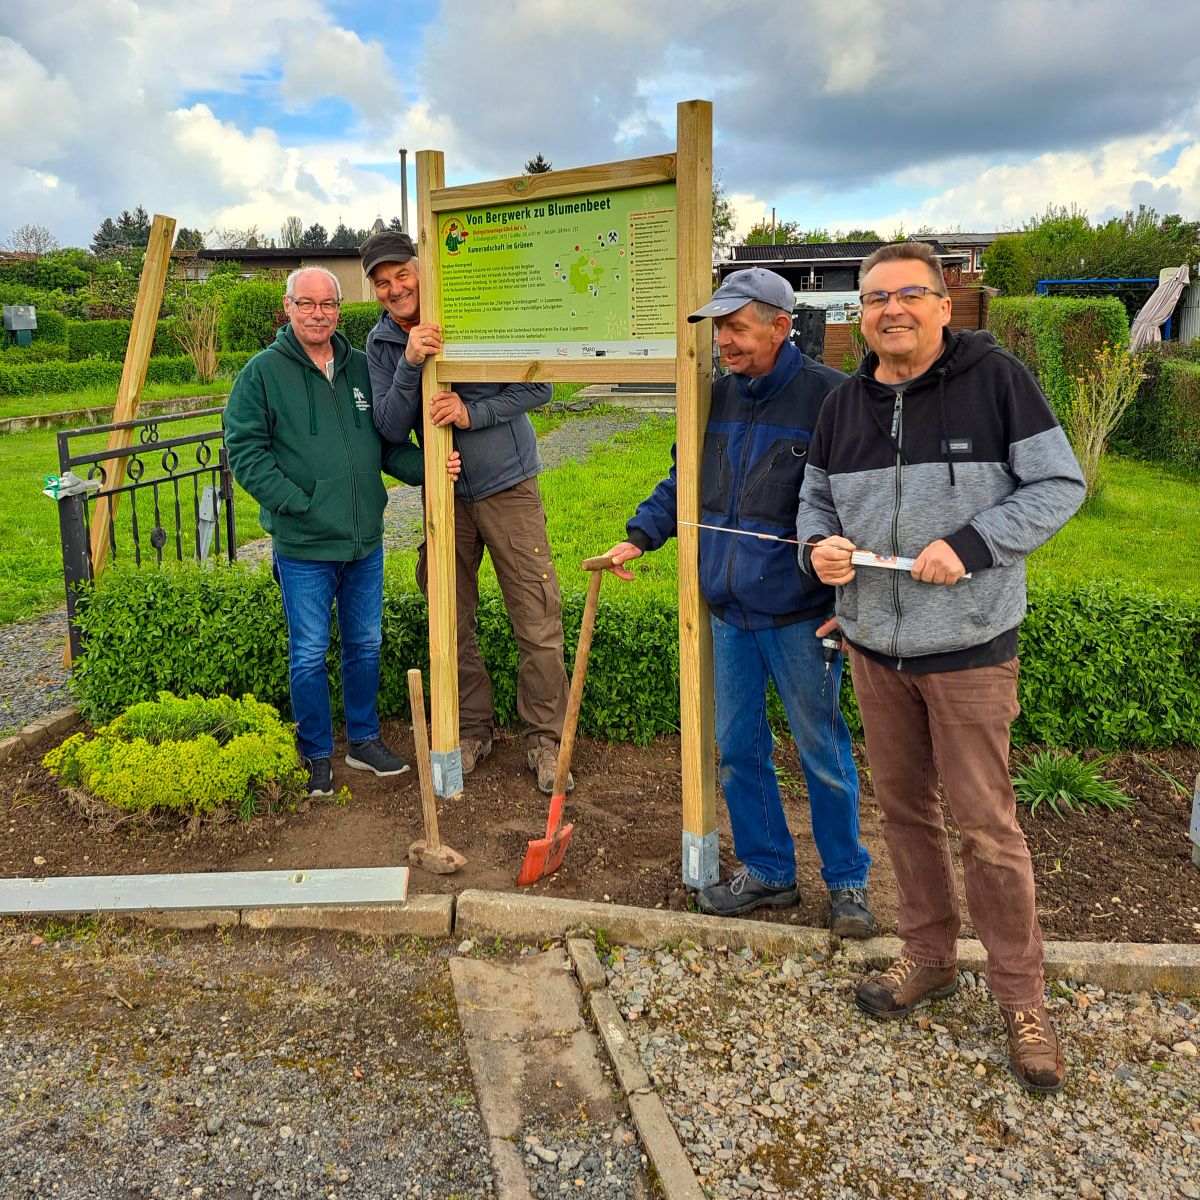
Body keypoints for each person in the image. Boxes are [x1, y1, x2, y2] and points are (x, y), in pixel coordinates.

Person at [796, 241, 1086, 1093]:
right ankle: (929, 957)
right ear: (860, 313)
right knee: (906, 815)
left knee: (989, 829)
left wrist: (970, 544)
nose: (891, 310)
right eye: (875, 298)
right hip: (873, 649)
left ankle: (1022, 999)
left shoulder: (999, 382)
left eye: (908, 295)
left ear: (944, 301)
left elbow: (1058, 484)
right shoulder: (843, 405)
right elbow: (815, 499)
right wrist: (822, 550)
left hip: (968, 648)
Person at [602, 267, 875, 935]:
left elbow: (862, 507)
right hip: (728, 613)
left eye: (737, 327)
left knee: (822, 749)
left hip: (801, 615)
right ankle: (770, 872)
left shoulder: (832, 399)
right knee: (737, 749)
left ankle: (847, 884)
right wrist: (640, 537)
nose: (724, 340)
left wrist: (854, 596)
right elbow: (682, 482)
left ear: (781, 328)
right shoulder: (714, 399)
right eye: (719, 328)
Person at [225, 266, 460, 798]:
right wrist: (296, 503)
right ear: (287, 308)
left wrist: (431, 465)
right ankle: (315, 753)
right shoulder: (262, 374)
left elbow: (385, 439)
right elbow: (245, 452)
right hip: (304, 545)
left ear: (339, 308)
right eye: (306, 304)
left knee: (365, 644)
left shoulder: (359, 368)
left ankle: (363, 740)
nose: (318, 314)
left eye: (327, 304)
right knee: (308, 652)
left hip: (363, 542)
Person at [358, 231, 571, 794]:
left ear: (423, 269)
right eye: (382, 283)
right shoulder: (381, 344)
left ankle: (547, 740)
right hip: (445, 496)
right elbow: (387, 424)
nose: (394, 288)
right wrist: (409, 362)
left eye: (402, 274)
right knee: (449, 615)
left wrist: (471, 414)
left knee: (535, 610)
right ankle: (472, 729)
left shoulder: (477, 311)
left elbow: (538, 388)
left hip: (508, 486)